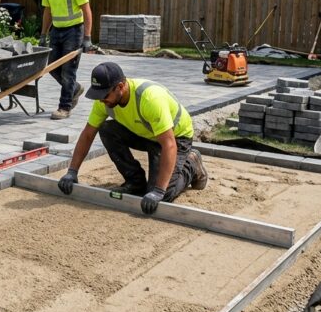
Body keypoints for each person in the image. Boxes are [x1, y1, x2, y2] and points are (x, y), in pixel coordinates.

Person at [57, 61, 208, 214]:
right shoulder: (104, 102)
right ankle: (135, 181)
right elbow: (88, 134)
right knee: (107, 129)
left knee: (164, 194)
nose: (102, 100)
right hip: (147, 133)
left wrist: (159, 191)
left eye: (105, 95)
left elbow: (169, 145)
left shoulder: (149, 99)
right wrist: (72, 172)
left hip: (175, 137)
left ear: (121, 87)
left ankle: (192, 164)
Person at [38, 0, 93, 120]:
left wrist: (87, 37)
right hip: (57, 31)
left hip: (74, 31)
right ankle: (74, 89)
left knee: (68, 71)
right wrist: (43, 34)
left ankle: (64, 107)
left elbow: (87, 10)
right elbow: (48, 11)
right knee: (52, 67)